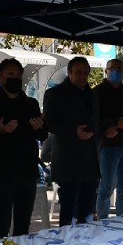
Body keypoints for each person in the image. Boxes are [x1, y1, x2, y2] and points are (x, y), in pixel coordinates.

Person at [0, 58, 47, 238]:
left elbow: (43, 135)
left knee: (23, 227)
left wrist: (39, 128)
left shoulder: (30, 104)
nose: (15, 78)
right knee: (2, 225)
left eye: (18, 75)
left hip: (27, 172)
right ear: (1, 78)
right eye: (10, 75)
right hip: (1, 174)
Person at [43, 57, 100, 227]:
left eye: (85, 73)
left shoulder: (92, 94)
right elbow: (50, 124)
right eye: (78, 72)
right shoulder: (55, 94)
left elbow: (97, 120)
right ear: (69, 73)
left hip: (90, 161)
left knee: (88, 214)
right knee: (69, 216)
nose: (82, 76)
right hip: (68, 161)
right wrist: (73, 131)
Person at [94, 58, 123, 219]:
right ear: (106, 71)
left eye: (119, 69)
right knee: (106, 187)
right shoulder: (98, 92)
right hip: (108, 146)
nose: (115, 71)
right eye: (112, 68)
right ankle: (103, 222)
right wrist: (114, 124)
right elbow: (95, 119)